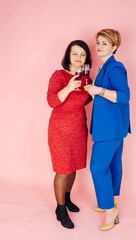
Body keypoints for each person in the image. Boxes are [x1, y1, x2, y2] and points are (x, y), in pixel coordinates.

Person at [84, 29, 131, 231]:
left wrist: (98, 90)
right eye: (98, 42)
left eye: (105, 43)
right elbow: (105, 98)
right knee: (111, 165)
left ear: (114, 47)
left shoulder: (115, 67)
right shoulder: (104, 67)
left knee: (97, 168)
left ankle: (110, 210)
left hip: (110, 129)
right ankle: (109, 201)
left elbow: (124, 96)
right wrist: (94, 91)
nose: (100, 46)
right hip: (111, 127)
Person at [47, 40, 92, 229]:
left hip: (78, 129)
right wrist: (68, 88)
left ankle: (66, 199)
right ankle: (60, 209)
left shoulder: (86, 78)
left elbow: (85, 100)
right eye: (75, 53)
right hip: (60, 131)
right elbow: (51, 101)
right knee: (63, 170)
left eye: (82, 54)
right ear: (68, 56)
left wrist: (91, 90)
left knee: (73, 167)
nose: (78, 57)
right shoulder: (59, 76)